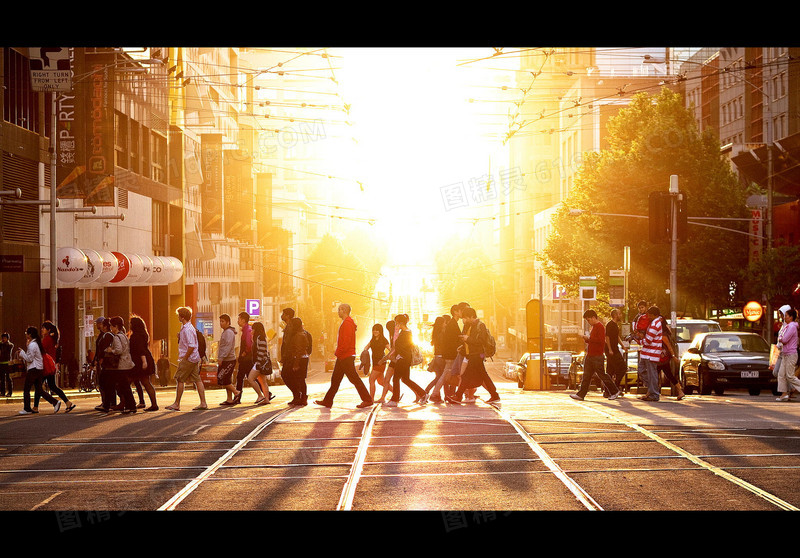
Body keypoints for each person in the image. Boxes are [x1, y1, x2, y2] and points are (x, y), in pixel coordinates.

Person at [315, 303, 373, 409]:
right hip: (343, 355)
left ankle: (367, 399)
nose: (338, 312)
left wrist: (338, 352)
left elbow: (346, 341)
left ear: (344, 310)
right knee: (336, 379)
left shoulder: (347, 323)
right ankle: (328, 401)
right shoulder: (346, 322)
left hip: (345, 355)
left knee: (354, 378)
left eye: (339, 310)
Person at [448, 308, 501, 404]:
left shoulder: (480, 326)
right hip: (472, 354)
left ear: (472, 316)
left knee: (466, 376)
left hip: (477, 354)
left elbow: (481, 341)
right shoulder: (471, 326)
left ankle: (458, 396)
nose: (464, 320)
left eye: (466, 318)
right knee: (482, 376)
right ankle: (494, 395)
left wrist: (467, 339)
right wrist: (463, 345)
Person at [571, 309, 622, 401]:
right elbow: (594, 340)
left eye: (589, 320)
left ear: (594, 318)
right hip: (590, 355)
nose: (588, 322)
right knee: (586, 376)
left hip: (597, 355)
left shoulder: (600, 327)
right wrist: (587, 339)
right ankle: (581, 394)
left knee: (602, 375)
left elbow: (601, 341)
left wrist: (589, 338)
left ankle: (614, 391)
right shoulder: (594, 327)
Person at [422, 303, 467, 404]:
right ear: (455, 312)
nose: (462, 313)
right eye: (460, 311)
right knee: (446, 375)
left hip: (449, 354)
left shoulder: (453, 323)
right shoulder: (452, 324)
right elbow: (453, 340)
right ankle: (436, 394)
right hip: (450, 355)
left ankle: (450, 394)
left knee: (446, 375)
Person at [166, 306, 208, 411]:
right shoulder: (186, 327)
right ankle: (203, 403)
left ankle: (176, 404)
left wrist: (184, 358)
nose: (178, 317)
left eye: (179, 315)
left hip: (188, 358)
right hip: (194, 358)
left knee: (180, 379)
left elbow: (192, 345)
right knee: (197, 380)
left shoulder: (188, 329)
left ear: (182, 317)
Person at [16, 326, 61, 415]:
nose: (26, 335)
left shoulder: (33, 345)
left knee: (26, 389)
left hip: (33, 369)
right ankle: (55, 402)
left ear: (30, 335)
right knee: (39, 390)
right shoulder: (36, 343)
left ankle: (27, 408)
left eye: (26, 333)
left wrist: (22, 353)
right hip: (39, 369)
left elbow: (29, 359)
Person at [384, 314, 426, 406]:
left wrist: (395, 332)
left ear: (401, 323)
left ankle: (394, 400)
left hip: (403, 359)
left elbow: (396, 344)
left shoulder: (405, 333)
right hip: (405, 358)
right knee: (406, 379)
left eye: (397, 323)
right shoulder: (406, 332)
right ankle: (423, 394)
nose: (396, 324)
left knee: (396, 379)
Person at [35, 321, 75, 413]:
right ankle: (67, 402)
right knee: (52, 386)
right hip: (51, 365)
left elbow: (40, 351)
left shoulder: (47, 339)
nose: (42, 330)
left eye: (43, 328)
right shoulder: (52, 339)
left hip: (46, 366)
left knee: (39, 386)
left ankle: (37, 407)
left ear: (48, 330)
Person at [105, 316, 137, 414]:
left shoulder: (116, 337)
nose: (111, 328)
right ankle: (129, 405)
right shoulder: (124, 336)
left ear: (116, 326)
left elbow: (118, 350)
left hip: (122, 364)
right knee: (125, 386)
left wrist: (111, 350)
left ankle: (131, 406)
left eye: (112, 326)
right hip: (128, 362)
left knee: (124, 387)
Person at [129, 315, 158, 411]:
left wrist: (144, 362)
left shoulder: (136, 336)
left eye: (131, 323)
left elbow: (140, 350)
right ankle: (153, 404)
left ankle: (127, 404)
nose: (129, 325)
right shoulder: (143, 334)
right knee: (145, 382)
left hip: (140, 361)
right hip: (142, 360)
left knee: (130, 381)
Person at [637, 306, 664, 401]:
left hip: (651, 354)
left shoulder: (655, 324)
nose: (649, 316)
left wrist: (639, 341)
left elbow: (648, 340)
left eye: (650, 315)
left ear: (655, 315)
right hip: (647, 353)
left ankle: (654, 393)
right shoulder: (653, 323)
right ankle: (651, 390)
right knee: (642, 371)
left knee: (651, 374)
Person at [284, 316, 311, 406]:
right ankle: (299, 397)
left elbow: (299, 350)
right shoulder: (301, 333)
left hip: (300, 359)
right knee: (297, 379)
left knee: (299, 379)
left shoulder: (299, 335)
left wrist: (296, 364)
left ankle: (302, 398)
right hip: (302, 358)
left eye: (292, 324)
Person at [92, 317, 116, 412]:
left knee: (106, 383)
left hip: (106, 363)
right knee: (105, 383)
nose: (100, 325)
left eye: (101, 324)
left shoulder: (108, 335)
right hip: (103, 362)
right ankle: (107, 403)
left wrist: (100, 359)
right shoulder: (103, 335)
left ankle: (109, 403)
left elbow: (103, 349)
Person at [776, 308, 800, 402]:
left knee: (790, 376)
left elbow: (784, 339)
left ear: (791, 317)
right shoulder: (787, 326)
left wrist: (781, 339)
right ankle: (784, 394)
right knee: (781, 374)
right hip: (785, 354)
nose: (784, 317)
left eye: (786, 315)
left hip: (791, 354)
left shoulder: (792, 327)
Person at [657, 321, 685, 400]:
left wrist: (673, 356)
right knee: (669, 375)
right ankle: (680, 391)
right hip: (661, 358)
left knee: (656, 375)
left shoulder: (663, 335)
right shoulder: (663, 334)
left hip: (662, 359)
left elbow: (669, 346)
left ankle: (653, 392)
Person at [246, 322, 273, 405]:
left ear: (256, 329)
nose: (251, 331)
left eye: (252, 329)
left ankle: (260, 396)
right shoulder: (259, 337)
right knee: (263, 381)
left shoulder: (260, 338)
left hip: (260, 362)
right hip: (261, 362)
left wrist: (258, 363)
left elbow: (261, 351)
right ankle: (266, 399)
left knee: (250, 379)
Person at [217, 313, 241, 405]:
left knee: (222, 378)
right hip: (226, 359)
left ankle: (236, 392)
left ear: (228, 322)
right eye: (220, 321)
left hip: (228, 360)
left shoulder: (228, 333)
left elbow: (227, 346)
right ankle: (229, 399)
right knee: (226, 379)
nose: (221, 323)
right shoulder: (226, 332)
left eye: (223, 321)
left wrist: (221, 358)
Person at [231, 311, 253, 405]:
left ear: (243, 320)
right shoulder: (245, 329)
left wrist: (244, 353)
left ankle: (237, 396)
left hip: (246, 359)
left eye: (239, 319)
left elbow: (248, 344)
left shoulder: (247, 330)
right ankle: (266, 393)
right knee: (248, 377)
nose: (237, 321)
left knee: (241, 377)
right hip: (246, 359)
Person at [364, 323, 390, 402]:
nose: (375, 331)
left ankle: (371, 399)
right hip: (375, 363)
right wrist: (364, 353)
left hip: (380, 363)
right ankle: (396, 393)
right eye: (374, 330)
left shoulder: (384, 340)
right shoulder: (372, 340)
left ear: (380, 331)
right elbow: (366, 347)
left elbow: (391, 350)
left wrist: (385, 358)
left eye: (377, 330)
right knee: (381, 382)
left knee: (371, 379)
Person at [605, 309, 627, 391]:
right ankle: (615, 387)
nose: (621, 315)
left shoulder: (615, 325)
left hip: (615, 349)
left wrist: (623, 346)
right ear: (615, 315)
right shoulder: (610, 324)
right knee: (623, 368)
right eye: (619, 314)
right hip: (612, 350)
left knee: (610, 370)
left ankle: (608, 390)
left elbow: (617, 337)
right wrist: (610, 349)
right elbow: (607, 337)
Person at [0, 332, 14, 397]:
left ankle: (10, 392)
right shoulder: (1, 345)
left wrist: (3, 344)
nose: (3, 339)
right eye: (2, 338)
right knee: (2, 379)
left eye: (5, 338)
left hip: (8, 363)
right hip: (1, 363)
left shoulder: (10, 345)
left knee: (9, 378)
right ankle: (2, 392)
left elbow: (9, 348)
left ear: (8, 338)